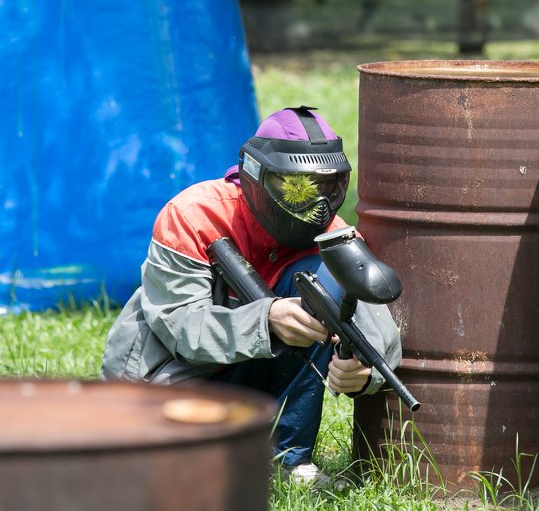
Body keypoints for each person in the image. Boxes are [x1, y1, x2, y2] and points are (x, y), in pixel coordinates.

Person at [101, 106, 402, 484]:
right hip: (158, 391)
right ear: (256, 176)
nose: (317, 206)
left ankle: (286, 461)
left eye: (328, 187)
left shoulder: (333, 236)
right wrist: (267, 319)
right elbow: (182, 328)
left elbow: (378, 330)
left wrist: (360, 370)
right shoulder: (195, 215)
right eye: (298, 188)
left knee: (317, 290)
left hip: (240, 379)